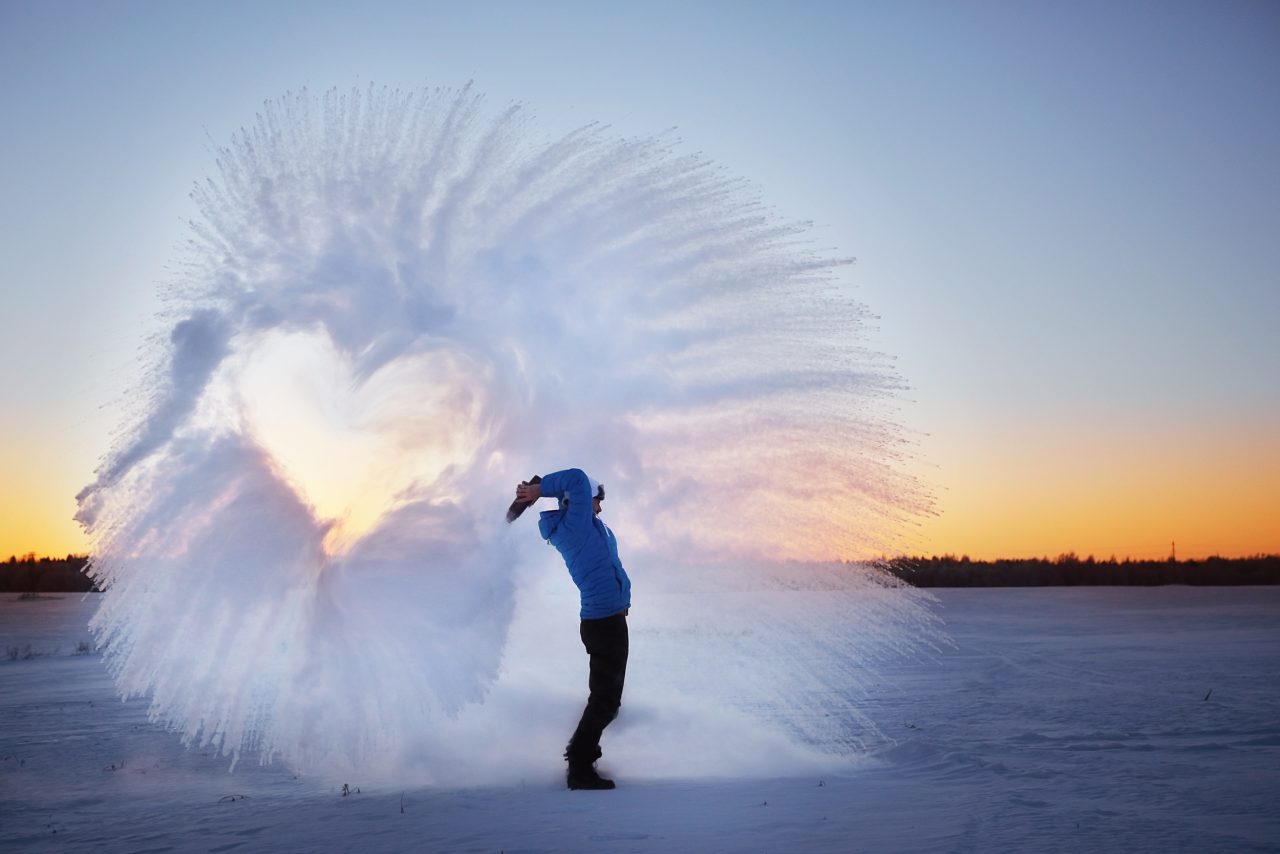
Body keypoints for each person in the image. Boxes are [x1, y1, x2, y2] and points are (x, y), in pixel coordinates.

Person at [513, 468, 631, 790]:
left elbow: (613, 568)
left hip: (609, 620)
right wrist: (540, 490)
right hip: (604, 623)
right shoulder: (575, 526)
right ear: (577, 502)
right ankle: (579, 765)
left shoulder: (591, 527)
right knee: (604, 702)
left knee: (607, 702)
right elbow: (577, 478)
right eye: (597, 500)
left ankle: (581, 757)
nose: (600, 507)